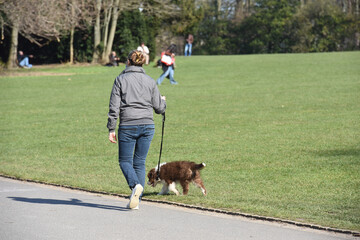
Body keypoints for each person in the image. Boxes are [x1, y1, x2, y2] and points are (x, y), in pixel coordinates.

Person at [107, 50, 166, 210]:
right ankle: (137, 200)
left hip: (128, 125)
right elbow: (159, 108)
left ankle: (135, 186)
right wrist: (163, 102)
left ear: (128, 62)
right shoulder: (150, 81)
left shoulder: (120, 79)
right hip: (148, 126)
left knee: (125, 161)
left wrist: (111, 127)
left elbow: (114, 106)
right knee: (139, 162)